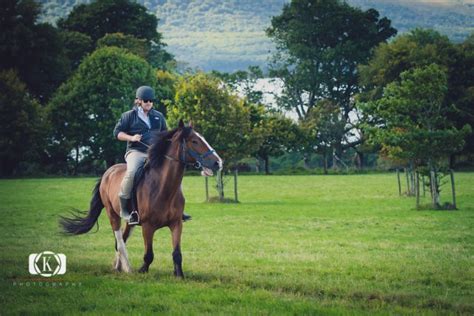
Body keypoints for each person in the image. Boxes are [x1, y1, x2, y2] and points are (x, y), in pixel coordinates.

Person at [113, 86, 191, 224]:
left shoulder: (158, 116)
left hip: (155, 153)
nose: (149, 103)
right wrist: (131, 138)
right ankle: (125, 208)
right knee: (132, 173)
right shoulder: (128, 116)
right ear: (138, 101)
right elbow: (117, 133)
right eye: (146, 100)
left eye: (151, 100)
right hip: (136, 151)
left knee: (172, 173)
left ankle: (177, 208)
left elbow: (166, 135)